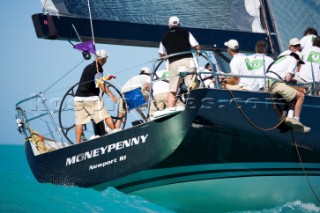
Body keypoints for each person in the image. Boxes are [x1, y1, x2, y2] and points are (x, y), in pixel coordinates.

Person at [74, 49, 118, 143]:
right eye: (106, 58)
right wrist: (111, 95)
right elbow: (100, 83)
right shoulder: (98, 68)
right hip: (91, 98)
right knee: (105, 115)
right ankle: (116, 133)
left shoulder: (88, 67)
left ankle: (77, 143)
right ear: (104, 59)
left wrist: (107, 77)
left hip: (78, 98)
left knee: (79, 122)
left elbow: (96, 79)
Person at [159, 16, 200, 108]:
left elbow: (161, 54)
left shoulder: (164, 37)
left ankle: (170, 110)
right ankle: (195, 106)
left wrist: (166, 57)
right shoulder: (186, 32)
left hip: (174, 63)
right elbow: (196, 46)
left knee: (173, 90)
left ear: (169, 25)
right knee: (192, 86)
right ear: (179, 24)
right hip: (188, 60)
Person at [265, 52, 310, 133]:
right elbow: (288, 78)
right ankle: (296, 121)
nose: (298, 66)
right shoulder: (293, 60)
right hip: (276, 83)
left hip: (267, 82)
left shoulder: (281, 59)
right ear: (298, 59)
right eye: (299, 63)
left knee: (278, 103)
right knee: (300, 96)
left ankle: (283, 121)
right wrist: (292, 80)